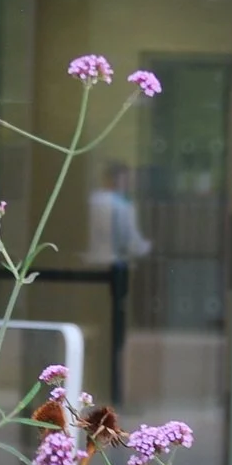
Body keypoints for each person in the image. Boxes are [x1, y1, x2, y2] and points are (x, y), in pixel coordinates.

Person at [83, 164, 151, 404]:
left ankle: (102, 387)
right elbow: (129, 241)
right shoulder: (119, 205)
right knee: (115, 332)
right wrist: (148, 248)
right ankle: (114, 393)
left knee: (102, 330)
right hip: (115, 267)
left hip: (95, 266)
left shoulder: (94, 200)